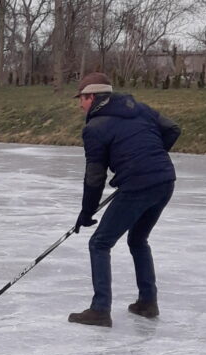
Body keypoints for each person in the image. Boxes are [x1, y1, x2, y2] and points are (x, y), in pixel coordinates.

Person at [68, 72, 181, 327]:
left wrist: (87, 212)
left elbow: (94, 177)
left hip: (140, 185)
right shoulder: (140, 109)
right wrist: (150, 158)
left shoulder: (94, 128)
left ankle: (100, 310)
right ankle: (147, 302)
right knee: (138, 239)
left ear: (94, 97)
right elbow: (173, 129)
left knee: (99, 243)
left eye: (83, 98)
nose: (80, 104)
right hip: (164, 181)